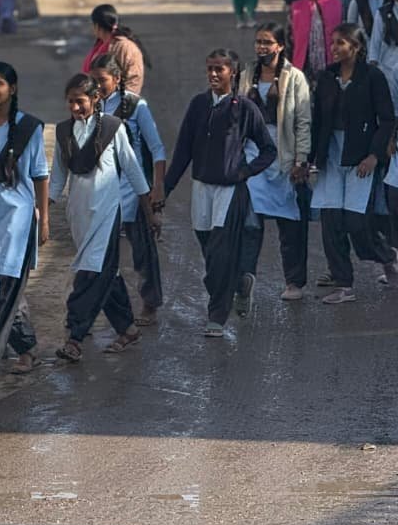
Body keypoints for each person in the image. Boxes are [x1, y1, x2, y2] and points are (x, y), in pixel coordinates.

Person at [162, 50, 277, 337]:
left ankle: (217, 316)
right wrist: (164, 189)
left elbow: (269, 150)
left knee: (219, 254)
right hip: (202, 188)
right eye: (210, 68)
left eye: (220, 70)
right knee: (208, 249)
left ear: (233, 73)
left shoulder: (245, 108)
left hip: (230, 192)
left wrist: (245, 172)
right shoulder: (198, 104)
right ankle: (239, 283)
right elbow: (183, 150)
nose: (213, 74)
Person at [52, 75, 157, 364]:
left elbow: (132, 168)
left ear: (95, 99)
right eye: (71, 101)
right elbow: (59, 175)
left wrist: (148, 208)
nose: (75, 107)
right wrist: (44, 209)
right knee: (106, 271)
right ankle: (127, 328)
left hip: (108, 212)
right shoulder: (63, 131)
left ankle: (75, 335)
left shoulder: (113, 127)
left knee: (91, 272)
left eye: (81, 101)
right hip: (78, 213)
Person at [310, 24, 398, 304]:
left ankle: (387, 255)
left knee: (356, 222)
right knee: (331, 220)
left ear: (357, 47)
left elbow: (386, 119)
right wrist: (309, 159)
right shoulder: (326, 77)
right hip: (331, 155)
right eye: (333, 42)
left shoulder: (373, 77)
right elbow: (318, 120)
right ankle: (344, 284)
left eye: (341, 43)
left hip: (360, 156)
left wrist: (374, 155)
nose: (335, 48)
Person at [0, 63, 47, 373]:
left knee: (3, 289)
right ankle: (25, 346)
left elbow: (40, 174)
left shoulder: (30, 127)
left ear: (11, 89)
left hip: (16, 219)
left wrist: (44, 220)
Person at [237, 25, 312, 301]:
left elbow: (303, 122)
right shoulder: (246, 75)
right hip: (253, 157)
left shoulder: (295, 78)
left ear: (280, 45)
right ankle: (245, 282)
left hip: (284, 157)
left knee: (290, 226)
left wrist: (301, 160)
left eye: (267, 42)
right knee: (250, 224)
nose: (261, 48)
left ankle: (294, 282)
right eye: (258, 42)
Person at [90, 54, 167, 327]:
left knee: (141, 250)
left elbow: (157, 149)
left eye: (102, 81)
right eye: (93, 81)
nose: (97, 87)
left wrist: (156, 189)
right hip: (102, 187)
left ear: (117, 79)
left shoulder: (136, 106)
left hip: (133, 189)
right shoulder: (90, 106)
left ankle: (150, 302)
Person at [288, 0, 342, 81]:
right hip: (304, 62)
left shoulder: (337, 4)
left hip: (331, 60)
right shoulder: (297, 7)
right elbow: (290, 37)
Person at [82, 4, 147, 94]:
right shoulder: (101, 44)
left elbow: (133, 81)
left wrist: (119, 103)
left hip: (119, 103)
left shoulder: (124, 47)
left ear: (97, 26)